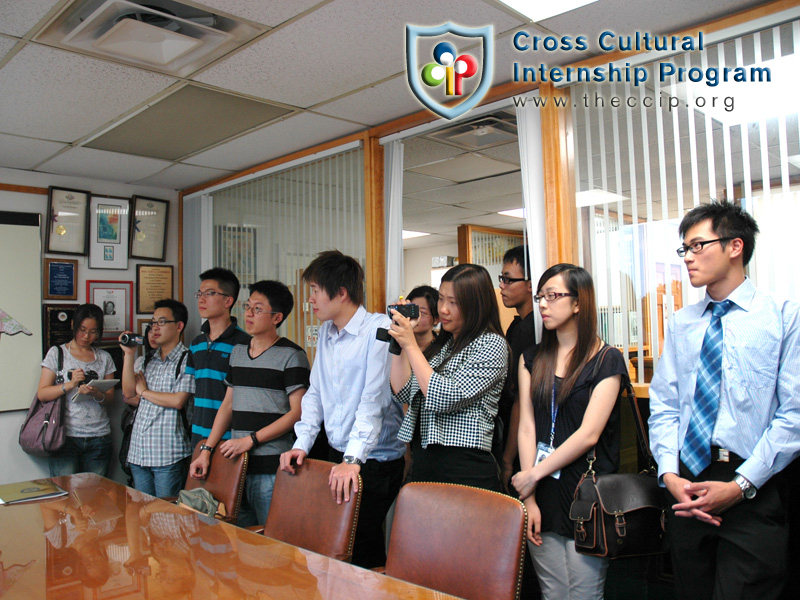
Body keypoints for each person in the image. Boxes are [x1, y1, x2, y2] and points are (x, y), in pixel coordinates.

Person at [648, 201, 800, 599]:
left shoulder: (784, 316)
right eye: (685, 249)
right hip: (688, 488)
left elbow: (794, 414)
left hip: (753, 487)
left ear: (735, 246)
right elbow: (664, 405)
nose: (688, 258)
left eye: (698, 245)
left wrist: (740, 485)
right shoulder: (682, 323)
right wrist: (669, 476)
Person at [279, 250, 405, 569]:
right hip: (340, 455)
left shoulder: (378, 329)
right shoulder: (326, 331)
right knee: (336, 541)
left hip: (373, 459)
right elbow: (316, 392)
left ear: (342, 293)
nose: (310, 300)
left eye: (315, 291)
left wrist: (353, 460)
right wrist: (301, 444)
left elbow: (372, 399)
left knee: (359, 545)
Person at [511, 263, 626, 600]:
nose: (543, 305)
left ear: (578, 303)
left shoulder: (607, 360)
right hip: (541, 492)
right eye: (540, 297)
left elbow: (589, 434)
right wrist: (529, 495)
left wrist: (532, 475)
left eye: (553, 296)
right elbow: (527, 426)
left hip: (586, 494)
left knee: (583, 594)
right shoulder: (532, 358)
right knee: (552, 592)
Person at [189, 280, 310, 527]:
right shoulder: (238, 351)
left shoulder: (292, 355)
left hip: (271, 466)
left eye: (257, 308)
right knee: (237, 538)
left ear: (277, 317)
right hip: (235, 465)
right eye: (247, 306)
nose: (248, 314)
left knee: (271, 540)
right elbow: (227, 405)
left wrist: (250, 440)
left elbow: (297, 413)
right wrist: (207, 450)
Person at [389, 263, 508, 492]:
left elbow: (444, 397)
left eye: (453, 302)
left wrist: (410, 344)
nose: (443, 309)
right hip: (425, 463)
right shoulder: (443, 346)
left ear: (476, 305)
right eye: (441, 299)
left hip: (465, 468)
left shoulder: (491, 344)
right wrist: (400, 341)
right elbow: (402, 390)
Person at [120, 299, 195, 498]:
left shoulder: (188, 359)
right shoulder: (147, 360)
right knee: (143, 515)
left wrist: (144, 392)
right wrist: (129, 355)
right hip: (139, 451)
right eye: (152, 323)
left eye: (161, 322)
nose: (155, 328)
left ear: (179, 326)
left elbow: (178, 400)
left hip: (168, 453)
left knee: (167, 517)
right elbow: (128, 392)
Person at [37, 303, 116, 477]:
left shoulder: (104, 358)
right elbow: (42, 393)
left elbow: (111, 399)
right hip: (65, 437)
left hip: (99, 436)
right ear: (73, 325)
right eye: (82, 329)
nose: (86, 336)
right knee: (65, 498)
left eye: (93, 331)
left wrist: (97, 393)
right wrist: (70, 385)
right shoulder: (57, 353)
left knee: (96, 497)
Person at [186, 267, 251, 448]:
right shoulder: (196, 344)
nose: (202, 299)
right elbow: (192, 393)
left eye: (210, 293)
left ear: (228, 301)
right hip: (198, 434)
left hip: (230, 439)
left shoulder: (244, 344)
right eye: (199, 293)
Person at [498, 245, 537, 492]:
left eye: (509, 280)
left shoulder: (529, 330)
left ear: (531, 285)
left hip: (523, 444)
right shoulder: (517, 325)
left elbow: (520, 402)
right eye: (501, 278)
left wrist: (507, 460)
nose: (502, 285)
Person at [404, 285, 440, 359]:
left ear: (436, 319)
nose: (414, 317)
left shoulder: (442, 351)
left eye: (422, 313)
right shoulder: (400, 345)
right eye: (411, 311)